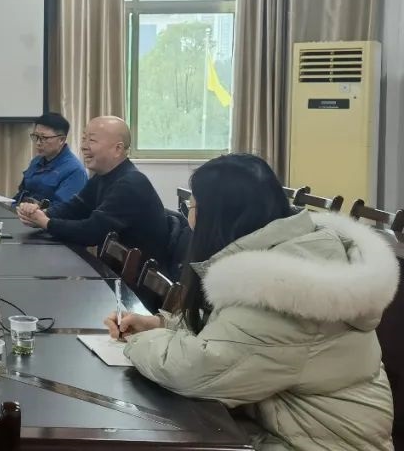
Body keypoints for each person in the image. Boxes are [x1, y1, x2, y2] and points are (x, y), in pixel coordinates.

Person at [106, 154, 396, 450]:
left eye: (192, 207)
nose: (189, 217)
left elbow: (196, 371)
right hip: (297, 430)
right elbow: (234, 334)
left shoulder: (279, 288)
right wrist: (160, 324)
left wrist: (137, 342)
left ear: (216, 216)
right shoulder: (294, 254)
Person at [17, 116, 170, 264]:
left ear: (118, 149)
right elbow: (74, 208)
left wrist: (47, 223)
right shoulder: (103, 176)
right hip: (113, 270)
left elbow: (92, 231)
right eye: (84, 139)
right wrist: (41, 214)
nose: (84, 146)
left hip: (134, 279)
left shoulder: (131, 183)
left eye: (92, 140)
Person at [13, 112, 87, 207]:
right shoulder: (36, 161)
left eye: (44, 138)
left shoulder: (75, 170)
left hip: (45, 216)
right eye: (36, 137)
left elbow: (63, 209)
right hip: (23, 212)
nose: (38, 143)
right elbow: (22, 193)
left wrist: (35, 209)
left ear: (61, 140)